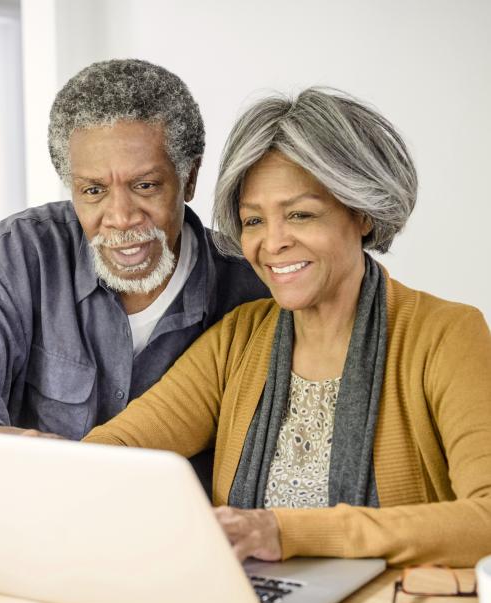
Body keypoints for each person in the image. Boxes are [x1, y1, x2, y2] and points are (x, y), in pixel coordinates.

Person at [83, 88, 491, 567]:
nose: (272, 243)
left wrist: (287, 531)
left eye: (300, 214)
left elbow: (485, 518)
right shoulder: (237, 341)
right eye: (253, 220)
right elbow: (111, 453)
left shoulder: (447, 335)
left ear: (361, 213)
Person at [0, 59, 269, 490]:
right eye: (93, 191)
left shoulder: (251, 287)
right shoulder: (21, 256)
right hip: (37, 521)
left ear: (189, 179)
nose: (121, 217)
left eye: (145, 185)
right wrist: (8, 443)